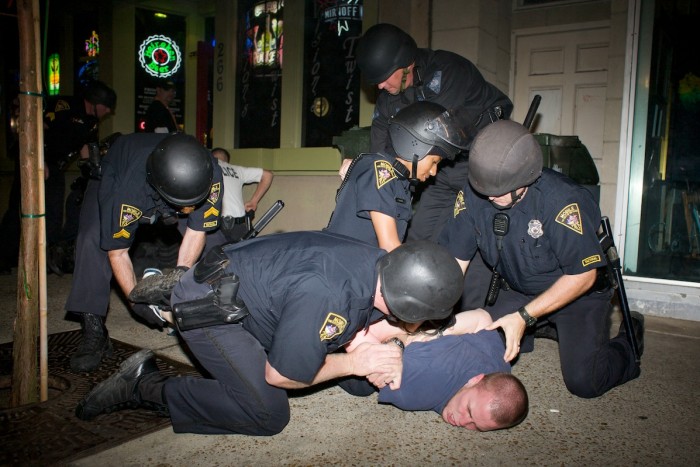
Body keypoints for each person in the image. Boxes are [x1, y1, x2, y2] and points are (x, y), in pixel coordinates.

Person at [74, 235, 466, 436]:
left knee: (359, 384)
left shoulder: (376, 262)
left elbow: (360, 319)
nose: (418, 328)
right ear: (407, 307)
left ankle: (182, 282)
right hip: (214, 312)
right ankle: (144, 385)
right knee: (267, 413)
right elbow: (282, 375)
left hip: (246, 275)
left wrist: (377, 346)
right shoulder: (329, 294)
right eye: (422, 321)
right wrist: (357, 360)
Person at [438, 120, 644, 398]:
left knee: (585, 382)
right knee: (470, 336)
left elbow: (583, 276)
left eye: (498, 191)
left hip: (577, 293)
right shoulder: (476, 193)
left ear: (525, 179)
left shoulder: (561, 201)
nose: (489, 196)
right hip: (522, 289)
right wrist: (434, 316)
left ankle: (628, 347)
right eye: (484, 188)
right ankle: (545, 326)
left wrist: (524, 317)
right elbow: (456, 263)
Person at [353, 23, 513, 308]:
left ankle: (470, 321)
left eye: (384, 78)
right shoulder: (390, 94)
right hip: (438, 173)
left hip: (478, 166)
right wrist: (368, 171)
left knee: (473, 243)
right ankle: (417, 305)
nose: (379, 86)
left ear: (406, 65)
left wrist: (397, 169)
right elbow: (381, 145)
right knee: (419, 237)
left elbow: (430, 138)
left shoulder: (450, 72)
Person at [66, 133, 225, 373]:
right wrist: (136, 300)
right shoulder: (126, 189)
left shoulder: (210, 174)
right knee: (92, 239)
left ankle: (221, 312)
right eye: (181, 205)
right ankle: (94, 331)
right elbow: (117, 253)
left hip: (177, 183)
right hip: (118, 170)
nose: (185, 211)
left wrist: (178, 281)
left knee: (217, 241)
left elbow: (197, 231)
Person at [346, 309, 529, 432]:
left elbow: (482, 317)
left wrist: (426, 333)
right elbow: (359, 331)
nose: (462, 422)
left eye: (476, 426)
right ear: (476, 379)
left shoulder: (500, 377)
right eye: (468, 410)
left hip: (424, 313)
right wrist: (416, 336)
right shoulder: (414, 389)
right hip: (373, 314)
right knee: (359, 387)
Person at [326, 101, 468, 252]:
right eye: (434, 162)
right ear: (415, 147)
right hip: (346, 269)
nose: (434, 171)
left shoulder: (398, 180)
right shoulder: (379, 171)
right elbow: (389, 247)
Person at [43, 80, 116, 250]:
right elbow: (39, 128)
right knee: (24, 211)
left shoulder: (91, 122)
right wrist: (41, 160)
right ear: (96, 103)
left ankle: (54, 251)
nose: (109, 111)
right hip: (37, 160)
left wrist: (94, 176)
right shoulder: (66, 106)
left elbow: (86, 149)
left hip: (56, 167)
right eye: (107, 106)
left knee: (55, 209)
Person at [211, 147, 274, 242]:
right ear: (227, 160)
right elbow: (268, 174)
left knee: (213, 256)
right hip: (238, 226)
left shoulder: (207, 166)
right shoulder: (236, 170)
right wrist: (254, 202)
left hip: (214, 226)